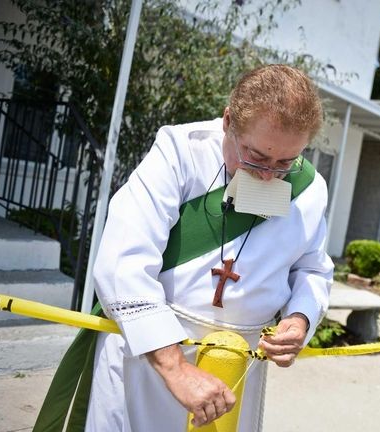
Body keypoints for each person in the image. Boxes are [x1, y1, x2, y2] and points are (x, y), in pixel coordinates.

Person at [42, 64, 333, 431]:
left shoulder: (309, 188)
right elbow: (123, 259)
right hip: (146, 356)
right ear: (228, 121)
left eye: (285, 163)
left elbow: (313, 269)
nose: (267, 175)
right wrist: (175, 367)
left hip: (237, 370)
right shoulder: (180, 152)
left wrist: (299, 318)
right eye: (256, 157)